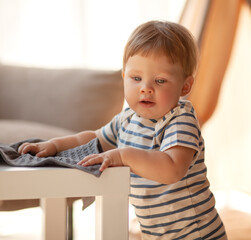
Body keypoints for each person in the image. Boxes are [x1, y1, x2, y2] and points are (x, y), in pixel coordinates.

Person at [19, 20, 227, 239]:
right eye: (136, 78)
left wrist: (123, 155)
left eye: (160, 80)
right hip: (156, 233)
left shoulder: (180, 120)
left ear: (185, 86)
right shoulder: (127, 120)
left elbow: (172, 169)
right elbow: (93, 138)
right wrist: (54, 145)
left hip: (197, 233)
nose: (146, 88)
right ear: (124, 77)